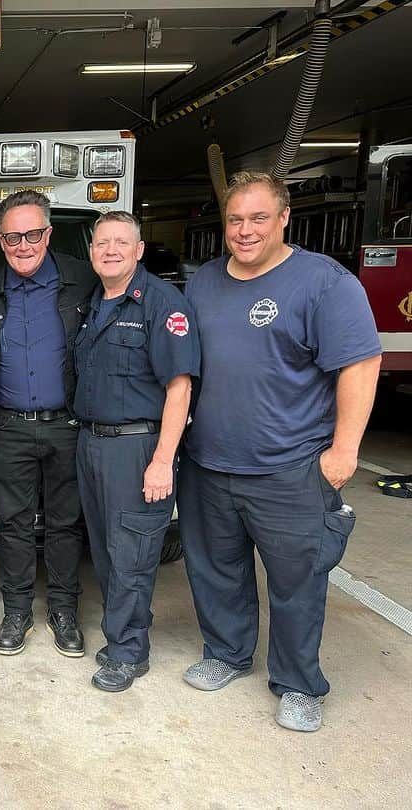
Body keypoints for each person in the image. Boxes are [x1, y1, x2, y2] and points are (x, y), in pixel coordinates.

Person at [179, 171, 381, 731]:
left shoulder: (324, 283)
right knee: (216, 571)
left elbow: (360, 365)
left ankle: (298, 683)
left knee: (297, 581)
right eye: (235, 219)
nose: (245, 231)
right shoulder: (203, 284)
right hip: (209, 462)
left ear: (284, 217)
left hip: (290, 467)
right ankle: (226, 654)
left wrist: (344, 451)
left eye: (258, 218)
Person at [73, 212, 199, 692]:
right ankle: (120, 637)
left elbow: (180, 388)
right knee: (106, 551)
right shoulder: (96, 303)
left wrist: (163, 460)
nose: (109, 251)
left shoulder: (162, 304)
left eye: (120, 243)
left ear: (139, 250)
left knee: (132, 553)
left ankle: (128, 653)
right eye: (101, 243)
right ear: (92, 252)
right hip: (92, 443)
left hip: (136, 447)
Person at [0, 190, 95, 657]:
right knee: (14, 523)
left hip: (69, 424)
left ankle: (64, 612)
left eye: (33, 234)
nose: (24, 245)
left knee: (66, 523)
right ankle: (17, 612)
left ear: (49, 234)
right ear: (0, 240)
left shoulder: (83, 279)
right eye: (13, 237)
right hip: (9, 427)